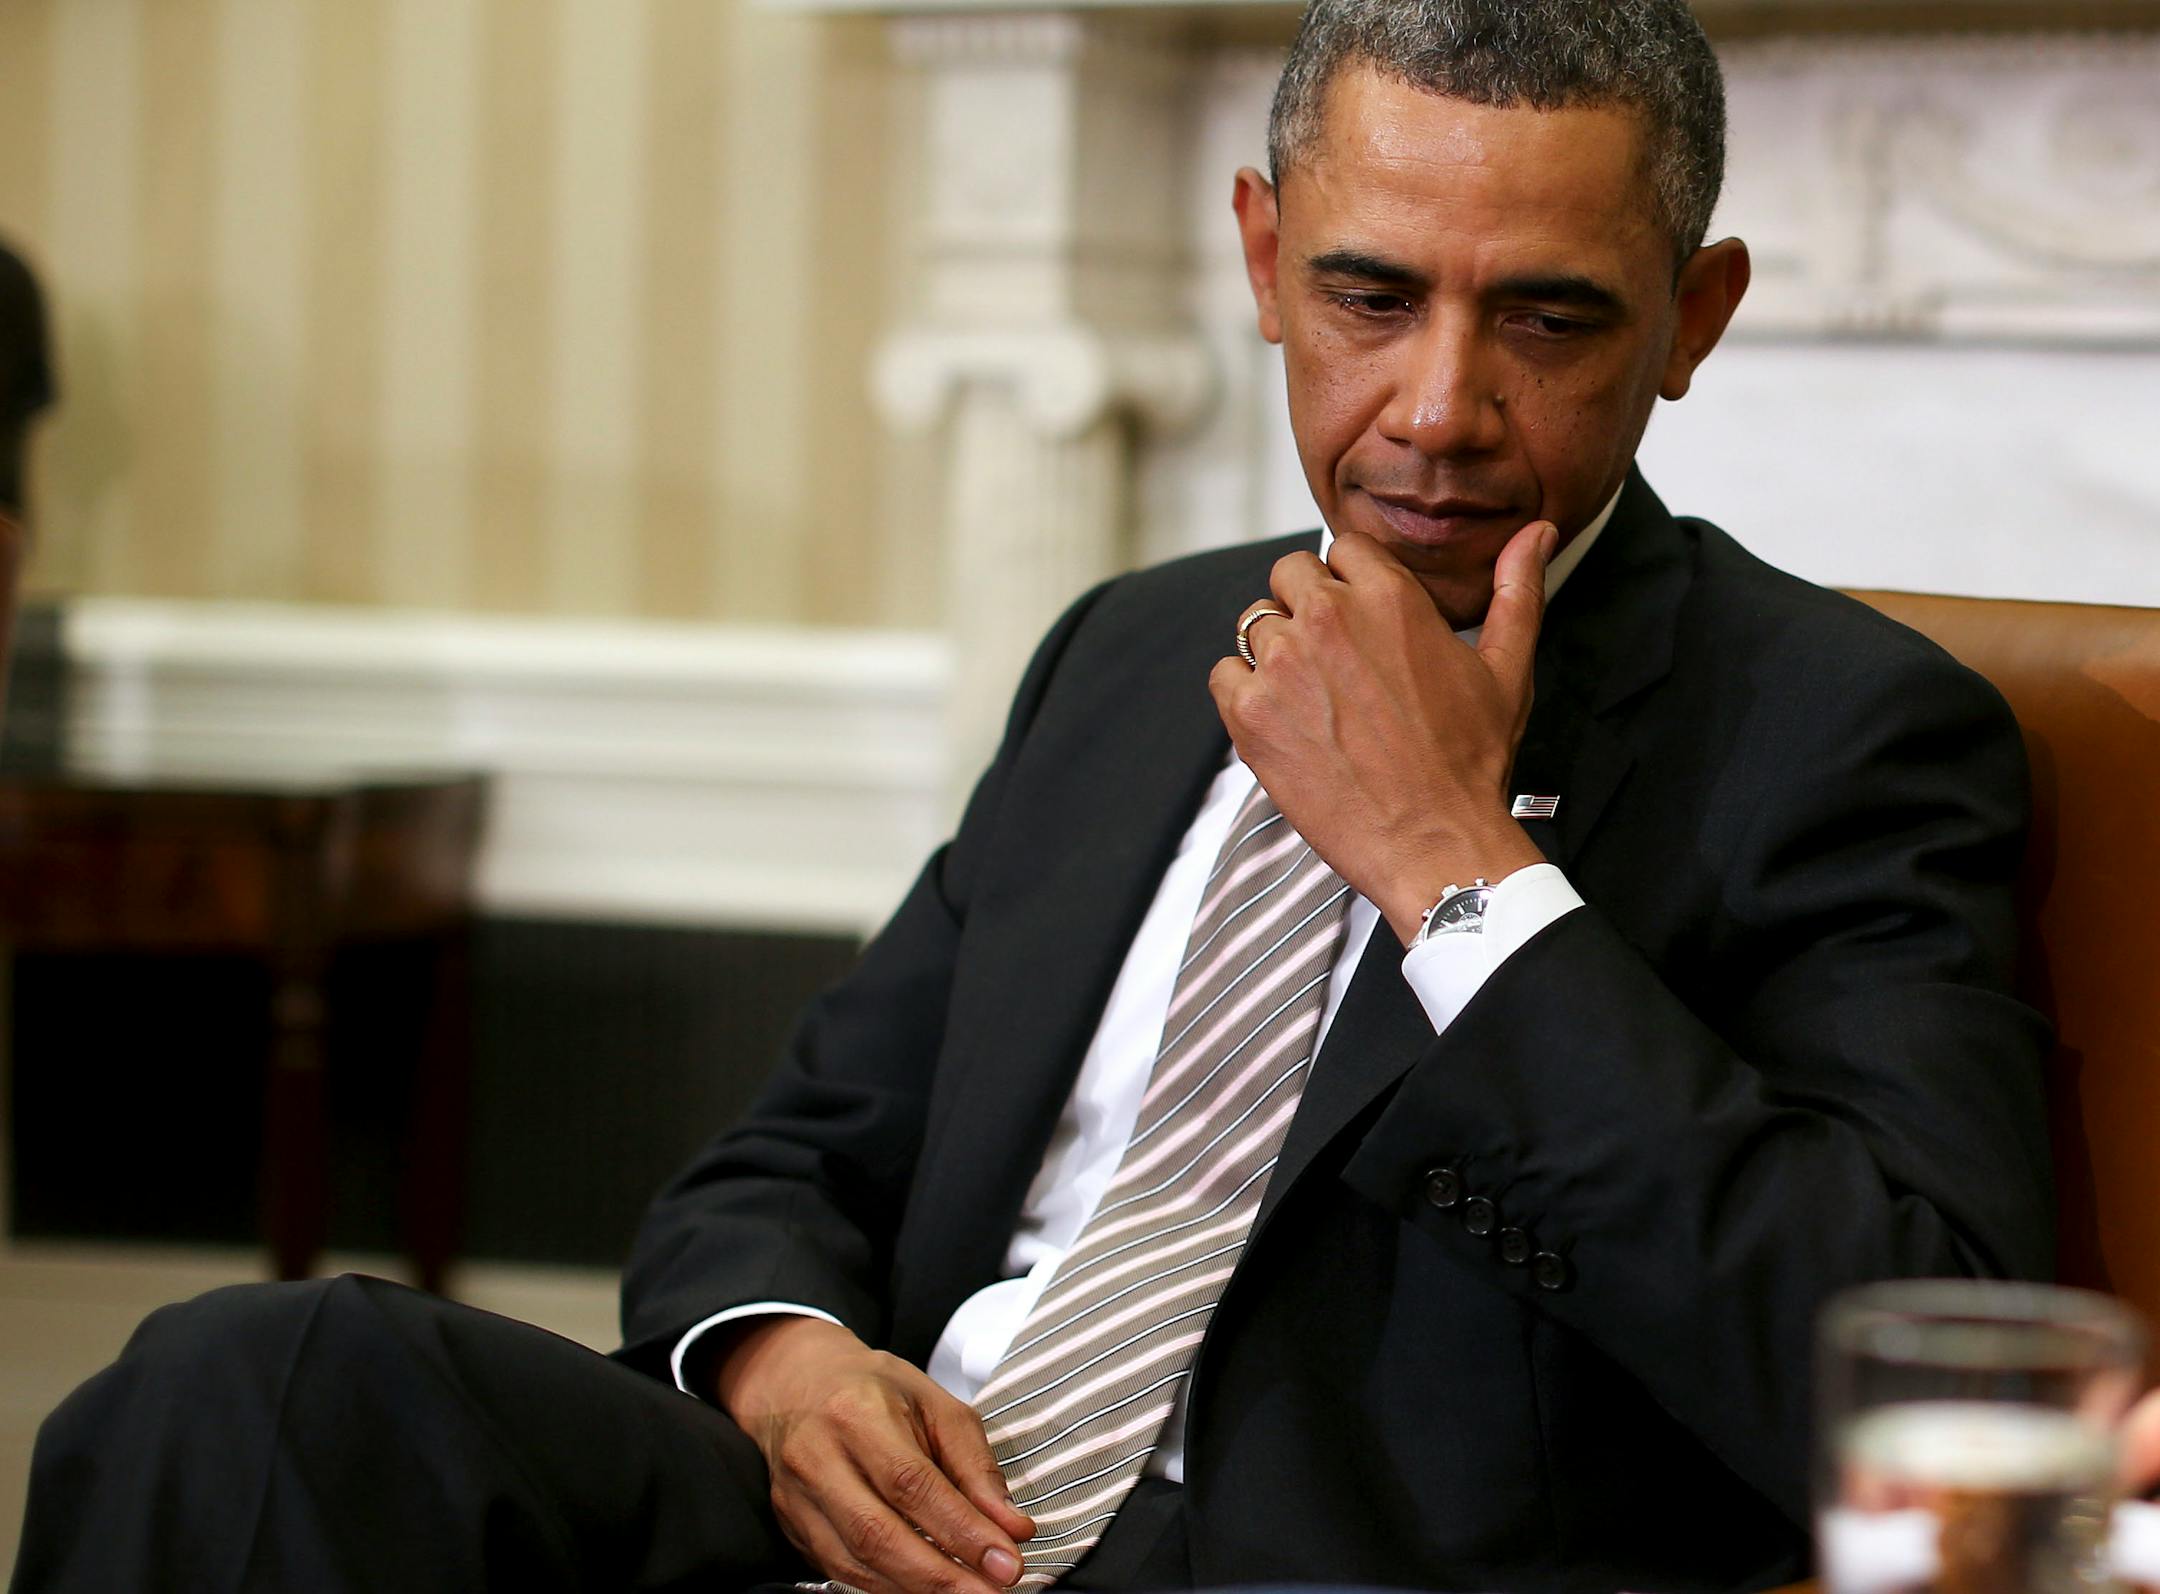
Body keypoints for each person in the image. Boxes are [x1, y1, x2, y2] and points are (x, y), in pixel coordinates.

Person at [11, 3, 2053, 1591]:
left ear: (1692, 318)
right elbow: (793, 1152)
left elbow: (1915, 1379)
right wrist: (788, 1364)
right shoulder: (1132, 651)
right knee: (260, 1380)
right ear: (1262, 257)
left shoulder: (1841, 736)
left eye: (1545, 316)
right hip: (894, 1522)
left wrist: (1457, 867)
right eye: (1369, 295)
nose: (1438, 407)